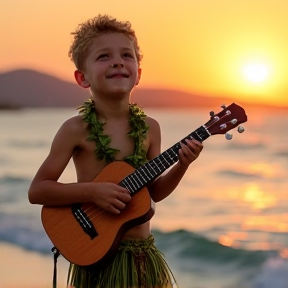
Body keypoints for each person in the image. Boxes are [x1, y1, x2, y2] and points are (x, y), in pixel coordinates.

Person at [28, 14, 203, 288]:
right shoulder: (75, 129)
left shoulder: (150, 128)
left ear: (139, 73)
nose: (118, 61)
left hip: (142, 257)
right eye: (104, 57)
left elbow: (154, 192)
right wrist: (92, 192)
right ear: (82, 77)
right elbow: (38, 190)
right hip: (98, 257)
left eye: (127, 55)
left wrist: (182, 164)